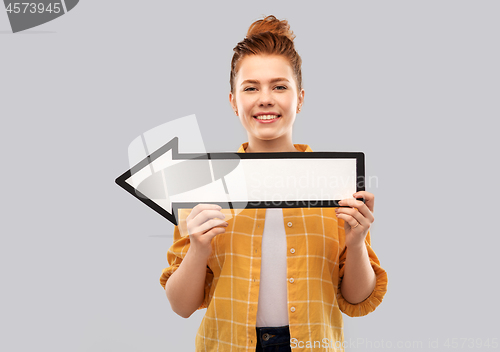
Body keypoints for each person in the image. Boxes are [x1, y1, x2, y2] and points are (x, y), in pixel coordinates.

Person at [160, 15, 388, 352]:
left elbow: (357, 299)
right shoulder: (205, 186)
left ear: (300, 98)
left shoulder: (336, 184)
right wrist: (198, 248)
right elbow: (180, 306)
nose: (265, 98)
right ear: (233, 101)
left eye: (279, 86)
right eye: (250, 88)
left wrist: (356, 244)